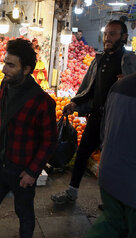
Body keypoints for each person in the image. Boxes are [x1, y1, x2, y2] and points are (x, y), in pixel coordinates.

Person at [0, 39, 58, 238]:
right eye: (5, 63)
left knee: (24, 213)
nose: (4, 69)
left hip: (22, 170)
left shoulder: (42, 102)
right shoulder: (5, 85)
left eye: (11, 65)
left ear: (27, 69)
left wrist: (32, 172)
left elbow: (49, 141)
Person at [51, 20, 136, 204]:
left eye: (113, 34)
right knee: (83, 153)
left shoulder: (128, 61)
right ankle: (71, 193)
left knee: (112, 162)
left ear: (123, 37)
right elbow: (89, 88)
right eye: (106, 34)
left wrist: (128, 81)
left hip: (117, 120)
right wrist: (75, 102)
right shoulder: (99, 60)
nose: (107, 38)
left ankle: (112, 203)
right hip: (97, 116)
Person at [81, 72, 136, 238]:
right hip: (132, 181)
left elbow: (104, 130)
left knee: (111, 223)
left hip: (109, 171)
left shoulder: (120, 85)